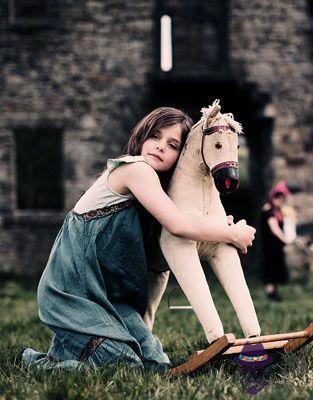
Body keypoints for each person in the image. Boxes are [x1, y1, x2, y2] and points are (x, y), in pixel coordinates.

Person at [21, 107, 256, 371]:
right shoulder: (135, 169)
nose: (161, 146)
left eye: (173, 145)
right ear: (141, 136)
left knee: (155, 362)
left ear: (181, 155)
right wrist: (232, 234)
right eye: (155, 136)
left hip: (110, 297)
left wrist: (214, 226)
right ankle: (35, 362)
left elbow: (175, 232)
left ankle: (76, 345)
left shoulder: (155, 191)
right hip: (72, 291)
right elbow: (179, 225)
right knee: (124, 365)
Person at [259, 181, 296, 302]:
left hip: (275, 246)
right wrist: (285, 239)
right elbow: (274, 229)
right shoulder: (268, 211)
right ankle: (270, 292)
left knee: (275, 268)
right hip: (270, 246)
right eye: (277, 198)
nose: (280, 201)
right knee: (270, 267)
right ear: (272, 197)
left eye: (281, 198)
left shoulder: (276, 211)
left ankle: (274, 291)